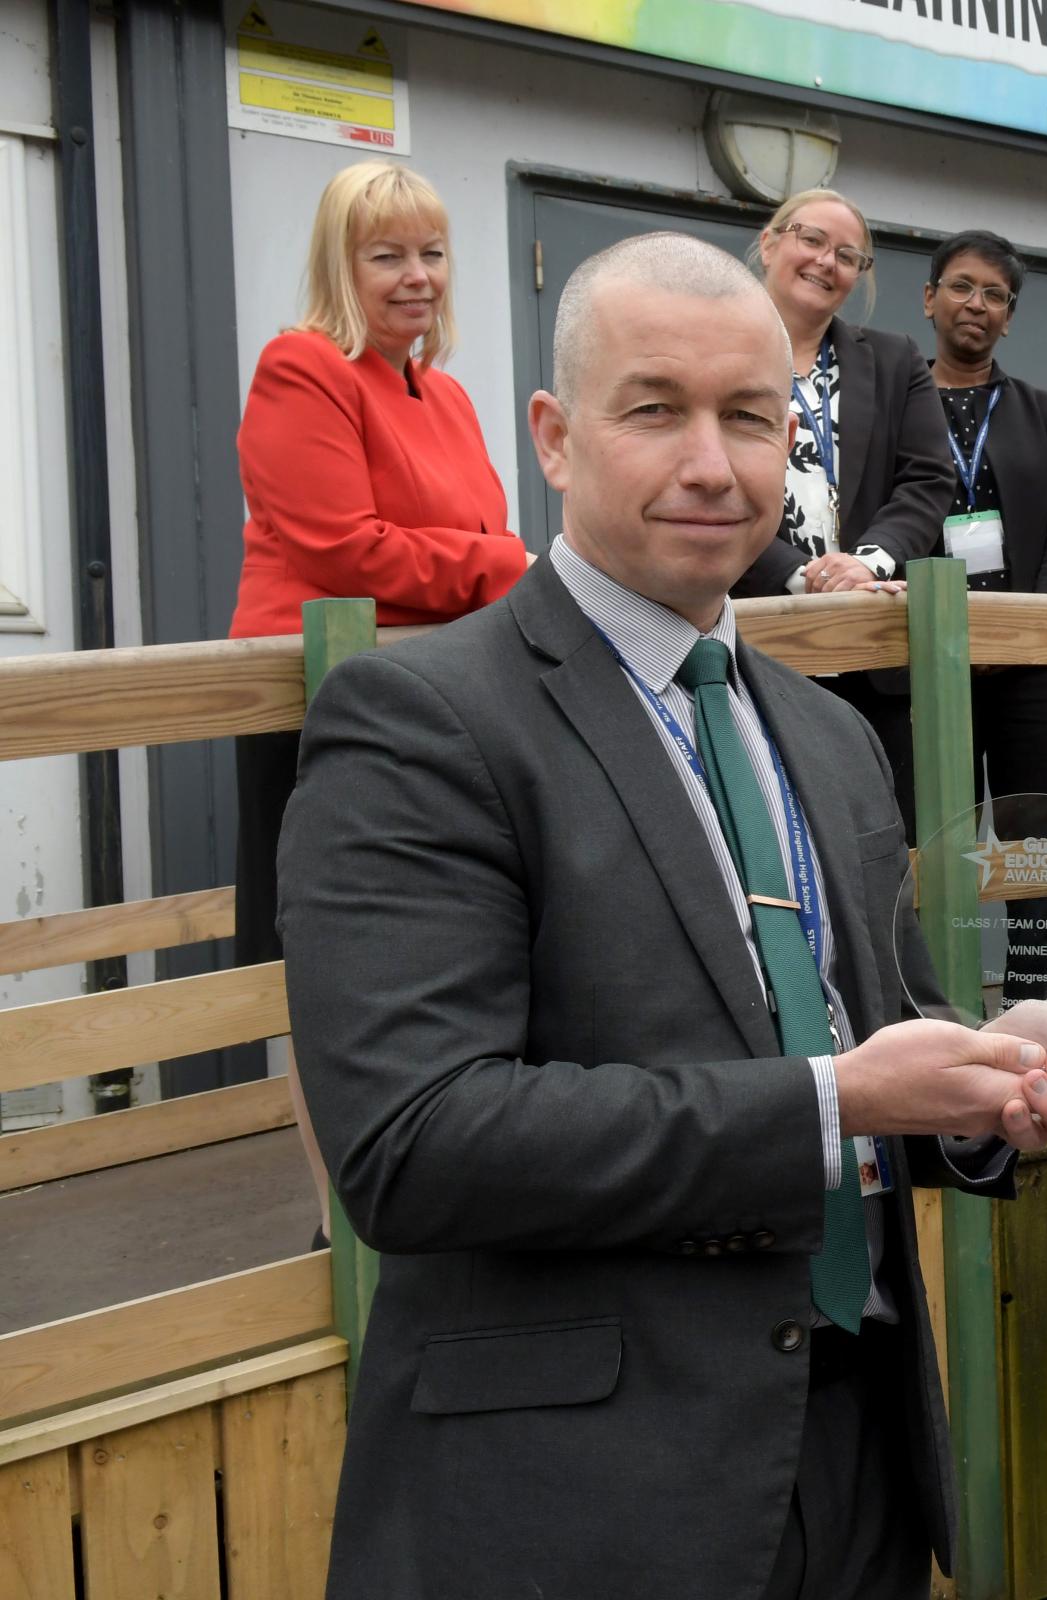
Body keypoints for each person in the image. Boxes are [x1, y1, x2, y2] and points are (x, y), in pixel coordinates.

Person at [278, 233, 1047, 1600]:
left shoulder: (825, 734)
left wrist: (984, 1073)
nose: (712, 462)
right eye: (655, 410)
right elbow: (415, 1145)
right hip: (589, 1503)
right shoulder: (424, 721)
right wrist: (836, 1101)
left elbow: (871, 1040)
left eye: (750, 417)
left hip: (858, 1460)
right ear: (556, 440)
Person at [229, 158, 528, 1238]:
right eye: (387, 254)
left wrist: (489, 557)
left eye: (433, 254)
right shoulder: (300, 370)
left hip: (434, 695)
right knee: (332, 964)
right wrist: (501, 569)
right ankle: (339, 1219)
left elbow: (478, 535)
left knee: (448, 942)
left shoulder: (441, 393)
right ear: (340, 265)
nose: (416, 277)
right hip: (319, 699)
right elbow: (342, 550)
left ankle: (440, 1189)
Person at [735, 187, 954, 821]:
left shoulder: (894, 360)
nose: (828, 262)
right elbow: (710, 481)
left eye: (849, 255)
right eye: (811, 240)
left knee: (886, 843)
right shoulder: (717, 349)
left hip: (872, 645)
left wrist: (869, 562)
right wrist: (797, 575)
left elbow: (927, 477)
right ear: (771, 242)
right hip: (759, 637)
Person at [920, 228, 1047, 1004]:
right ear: (930, 299)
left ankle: (1037, 1002)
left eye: (994, 294)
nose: (976, 304)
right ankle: (946, 1002)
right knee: (939, 842)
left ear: (1010, 317)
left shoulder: (1042, 410)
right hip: (927, 661)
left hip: (1037, 668)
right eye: (961, 286)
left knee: (1039, 846)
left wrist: (1024, 632)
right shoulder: (900, 404)